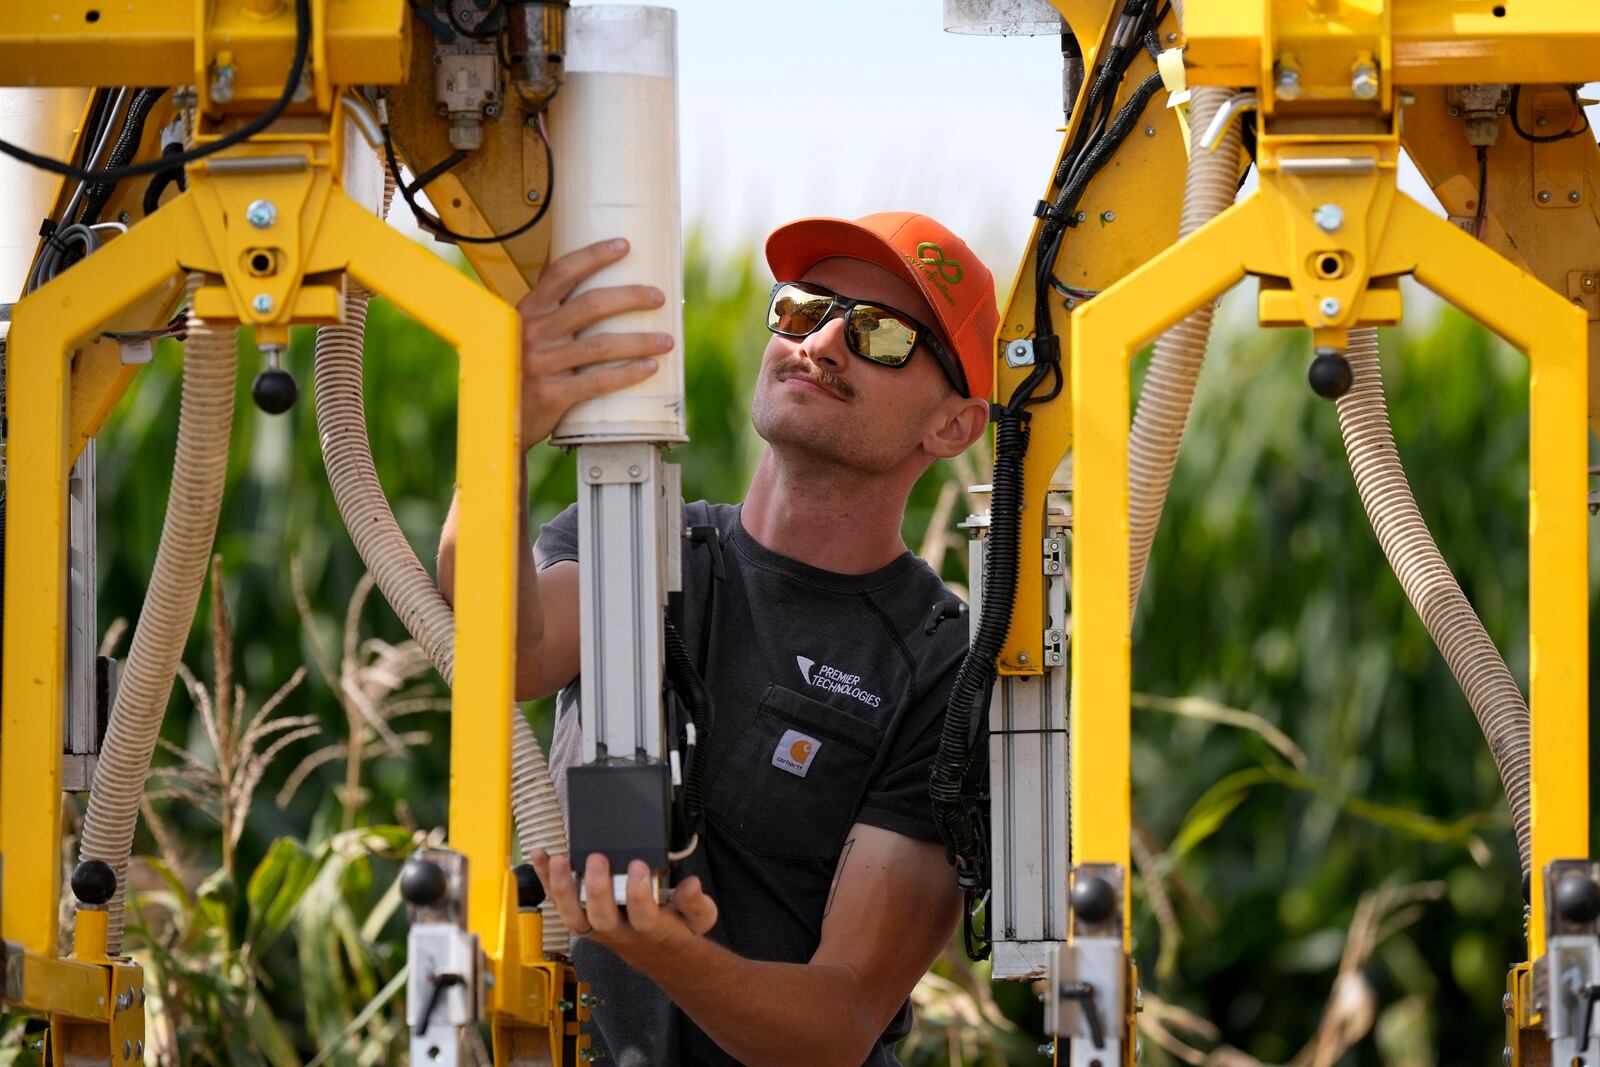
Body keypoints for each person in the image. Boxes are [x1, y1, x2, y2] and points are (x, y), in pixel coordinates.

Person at [438, 212, 998, 1066]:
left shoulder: (937, 667)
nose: (824, 341)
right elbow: (506, 650)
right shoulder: (636, 538)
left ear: (954, 426)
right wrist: (495, 431)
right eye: (805, 308)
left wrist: (666, 949)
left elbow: (841, 1018)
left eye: (882, 334)